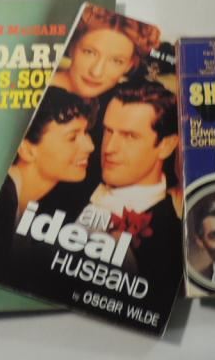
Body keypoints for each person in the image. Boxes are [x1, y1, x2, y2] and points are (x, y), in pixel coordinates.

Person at [0, 88, 93, 272]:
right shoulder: (0, 203)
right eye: (72, 137)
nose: (90, 146)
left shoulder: (19, 204)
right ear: (26, 149)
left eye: (86, 133)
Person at [75, 82, 181, 283]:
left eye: (130, 136)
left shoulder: (171, 242)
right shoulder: (69, 185)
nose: (109, 148)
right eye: (108, 131)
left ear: (166, 146)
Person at [50, 4, 160, 104]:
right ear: (72, 48)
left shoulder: (118, 104)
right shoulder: (45, 90)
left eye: (116, 61)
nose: (96, 72)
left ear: (129, 65)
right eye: (89, 52)